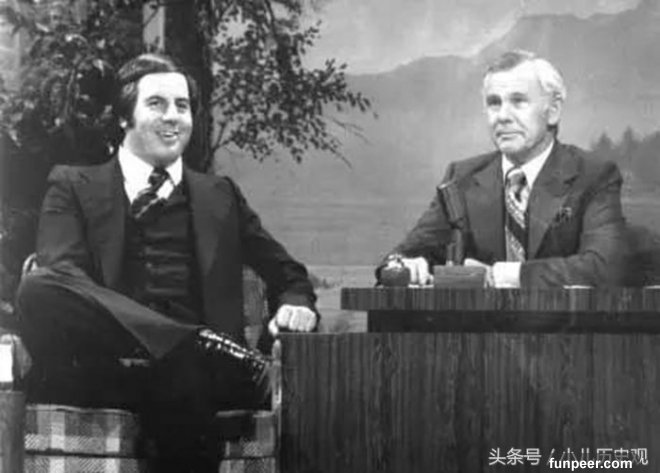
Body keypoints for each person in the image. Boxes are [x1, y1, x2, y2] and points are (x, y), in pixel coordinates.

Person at [16, 53, 318, 472]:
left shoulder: (220, 195)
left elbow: (289, 274)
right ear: (124, 116)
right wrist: (185, 342)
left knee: (183, 376)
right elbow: (61, 277)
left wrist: (297, 303)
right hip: (105, 371)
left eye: (182, 106)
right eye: (157, 104)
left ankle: (190, 351)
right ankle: (192, 342)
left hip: (202, 377)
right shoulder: (72, 184)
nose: (173, 116)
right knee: (39, 286)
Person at [379, 50, 627, 288]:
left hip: (560, 317)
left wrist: (499, 275)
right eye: (494, 103)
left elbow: (604, 268)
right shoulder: (461, 179)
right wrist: (405, 266)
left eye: (518, 101)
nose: (502, 116)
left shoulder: (593, 176)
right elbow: (398, 258)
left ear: (553, 110)